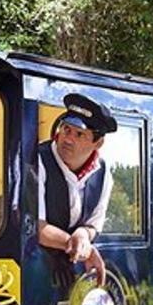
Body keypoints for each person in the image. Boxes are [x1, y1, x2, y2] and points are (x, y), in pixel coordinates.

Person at [36, 93, 118, 285]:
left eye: (79, 134)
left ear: (98, 143)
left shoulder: (104, 173)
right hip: (35, 269)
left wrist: (83, 233)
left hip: (74, 274)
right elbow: (35, 227)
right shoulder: (38, 161)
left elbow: (94, 224)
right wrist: (79, 247)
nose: (68, 139)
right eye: (66, 129)